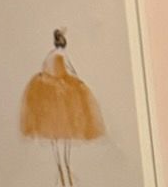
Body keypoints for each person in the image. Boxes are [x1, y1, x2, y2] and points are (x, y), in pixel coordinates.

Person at [21, 28, 106, 186]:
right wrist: (75, 81)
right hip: (62, 96)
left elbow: (44, 70)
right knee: (65, 137)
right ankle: (66, 174)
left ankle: (62, 174)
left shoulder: (49, 55)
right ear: (63, 42)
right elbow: (72, 71)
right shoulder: (62, 54)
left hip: (49, 97)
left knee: (55, 138)